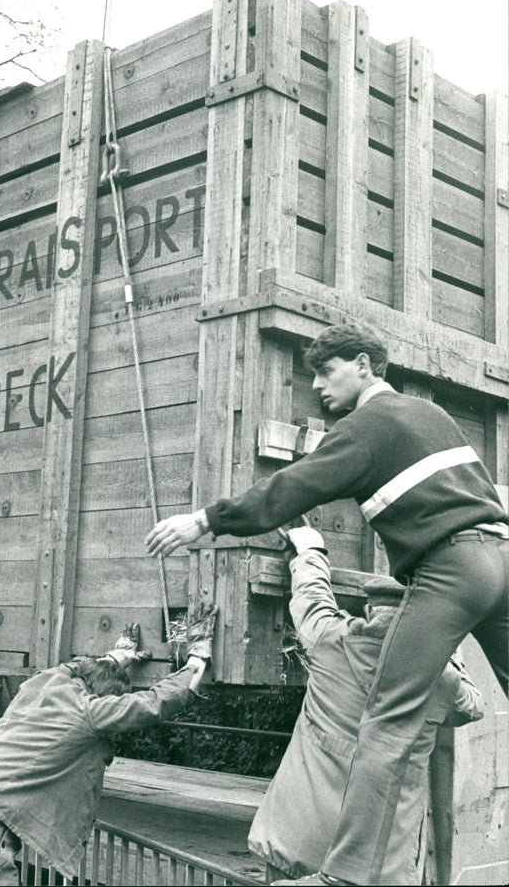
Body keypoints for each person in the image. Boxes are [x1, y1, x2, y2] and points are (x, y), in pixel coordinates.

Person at [145, 321, 508, 886]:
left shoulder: (367, 426)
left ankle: (346, 878)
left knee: (387, 723)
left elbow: (294, 486)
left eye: (326, 370)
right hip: (501, 558)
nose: (317, 385)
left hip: (451, 568)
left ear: (364, 365)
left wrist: (204, 521)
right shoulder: (434, 417)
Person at [248, 526, 483, 885]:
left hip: (298, 843)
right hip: (375, 869)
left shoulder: (330, 642)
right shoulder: (441, 682)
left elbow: (312, 599)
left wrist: (311, 549)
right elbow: (473, 707)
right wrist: (448, 643)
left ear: (371, 608)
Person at [0, 607, 218, 886]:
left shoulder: (44, 683)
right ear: (101, 696)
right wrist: (196, 659)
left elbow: (71, 667)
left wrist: (118, 656)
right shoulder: (89, 711)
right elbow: (153, 704)